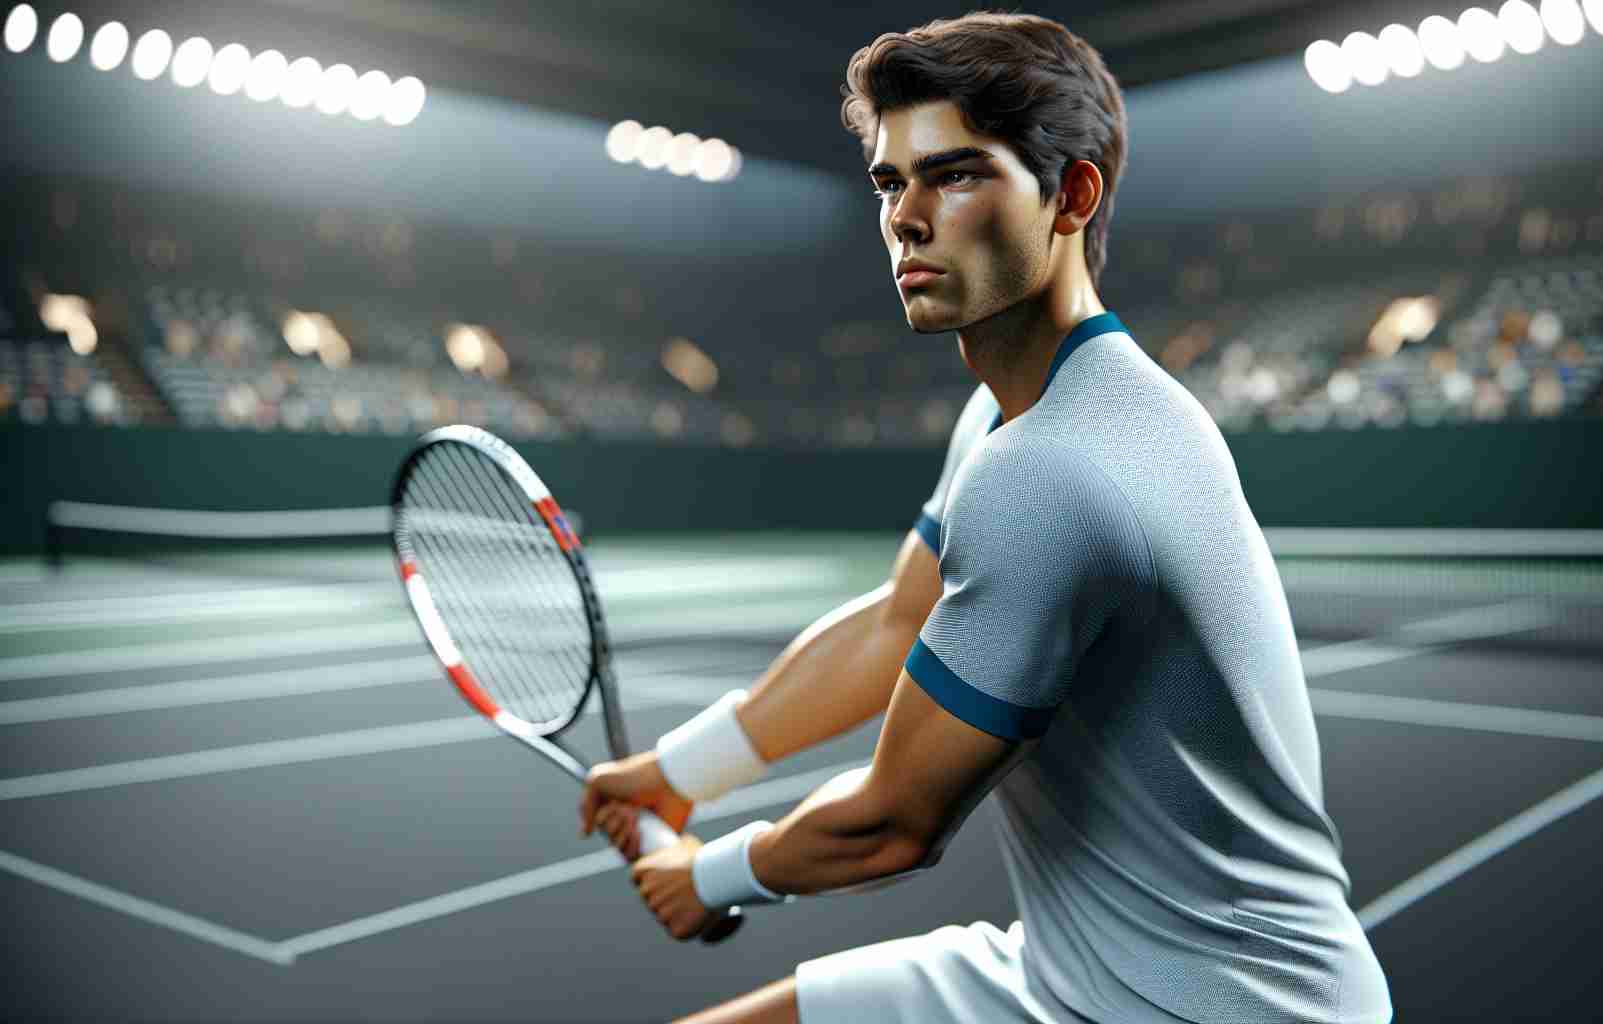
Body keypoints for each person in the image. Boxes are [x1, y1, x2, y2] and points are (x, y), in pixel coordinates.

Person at [579, 11, 1393, 1023]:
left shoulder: (1053, 466)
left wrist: (710, 877)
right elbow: (893, 627)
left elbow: (893, 822)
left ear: (1071, 195)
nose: (906, 217)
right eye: (890, 180)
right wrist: (674, 773)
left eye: (955, 174)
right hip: (1076, 969)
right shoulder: (1017, 412)